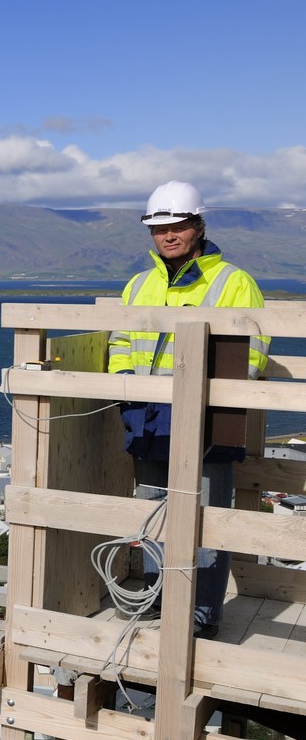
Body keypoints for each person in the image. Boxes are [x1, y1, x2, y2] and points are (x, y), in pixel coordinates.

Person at [106, 180, 268, 637]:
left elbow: (252, 355)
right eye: (160, 228)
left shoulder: (234, 282)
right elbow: (120, 343)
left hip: (208, 424)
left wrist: (212, 397)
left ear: (198, 225)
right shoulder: (138, 285)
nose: (168, 235)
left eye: (178, 226)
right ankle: (158, 599)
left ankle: (202, 612)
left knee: (207, 520)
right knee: (154, 514)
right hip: (148, 418)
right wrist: (124, 384)